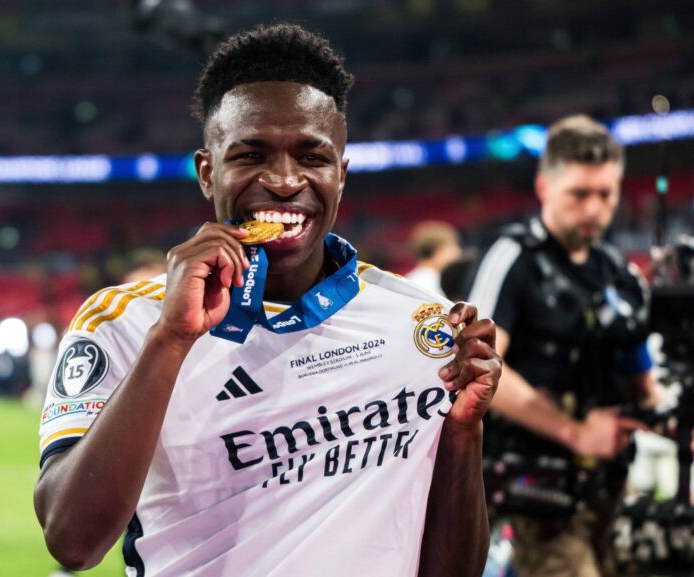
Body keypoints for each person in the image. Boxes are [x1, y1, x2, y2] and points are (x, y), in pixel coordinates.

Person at [35, 23, 501, 577]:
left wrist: (463, 433)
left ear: (341, 175)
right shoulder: (126, 322)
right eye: (252, 154)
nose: (284, 181)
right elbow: (72, 540)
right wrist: (172, 339)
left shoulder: (418, 322)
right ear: (208, 173)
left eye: (312, 157)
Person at [467, 114, 658, 577]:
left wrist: (669, 416)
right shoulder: (514, 256)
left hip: (611, 488)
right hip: (538, 494)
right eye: (579, 194)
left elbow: (643, 380)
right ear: (544, 187)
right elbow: (476, 362)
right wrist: (572, 432)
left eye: (606, 194)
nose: (594, 209)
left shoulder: (617, 271)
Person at [405, 221, 462, 297]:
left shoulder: (418, 277)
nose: (458, 252)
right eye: (452, 247)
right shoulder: (427, 282)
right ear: (437, 251)